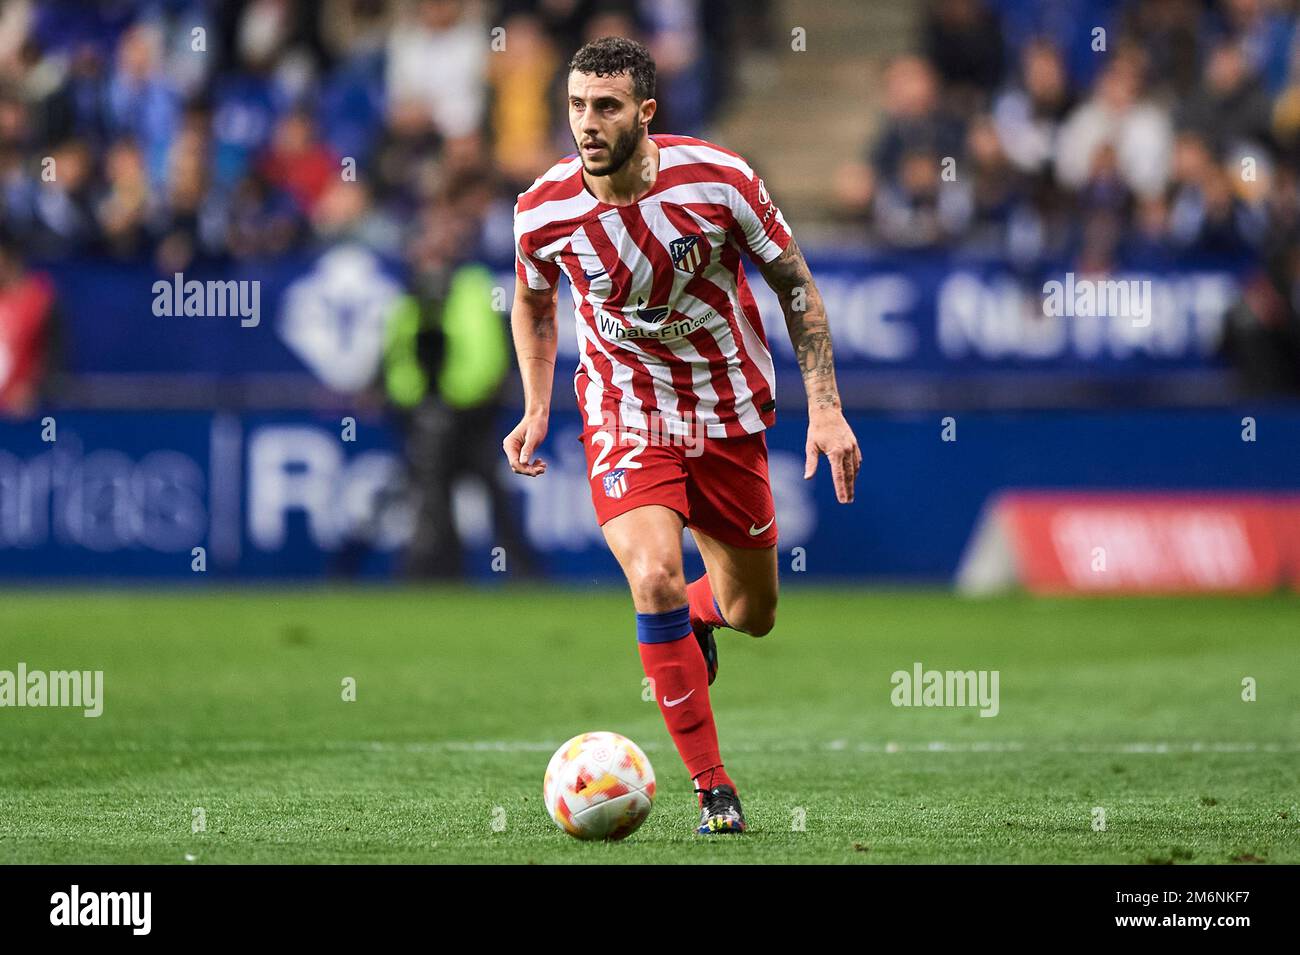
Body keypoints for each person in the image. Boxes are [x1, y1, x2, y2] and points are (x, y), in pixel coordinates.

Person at [504, 37, 860, 834]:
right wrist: (535, 405)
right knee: (655, 575)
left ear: (646, 113)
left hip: (726, 411)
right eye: (575, 106)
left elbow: (793, 281)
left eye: (605, 107)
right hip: (626, 410)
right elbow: (532, 303)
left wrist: (826, 406)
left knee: (753, 609)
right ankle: (713, 787)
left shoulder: (720, 179)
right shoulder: (542, 208)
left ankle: (702, 618)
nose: (586, 123)